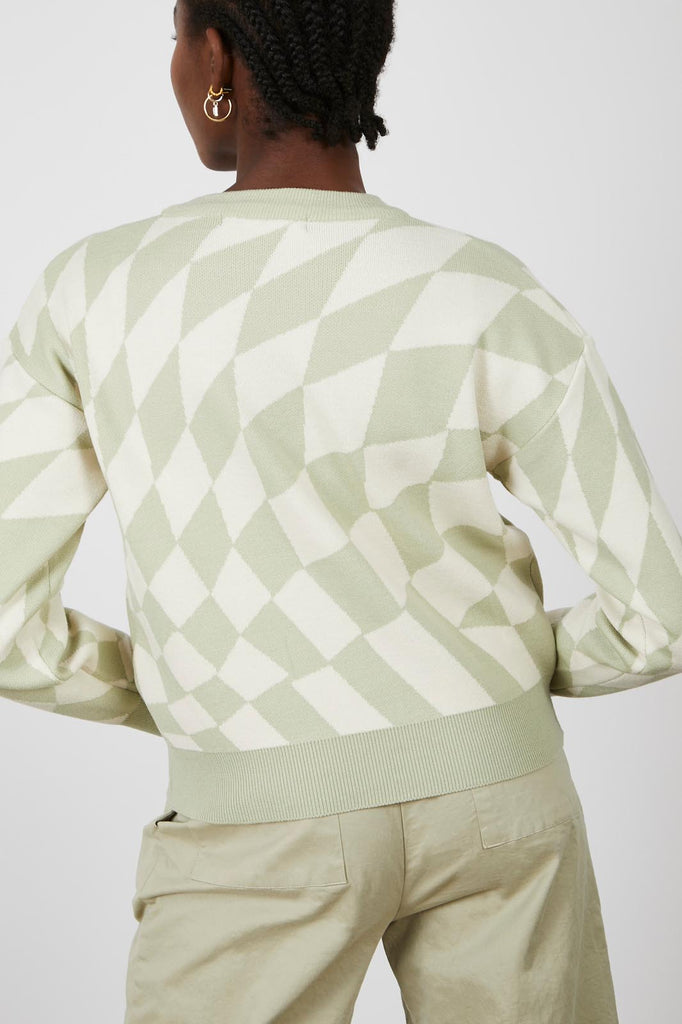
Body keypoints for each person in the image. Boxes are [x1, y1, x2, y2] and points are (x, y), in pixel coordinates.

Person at [1, 1, 680, 1021]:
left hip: (254, 814)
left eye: (176, 35)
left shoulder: (93, 292)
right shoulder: (484, 287)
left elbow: (5, 621)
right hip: (502, 800)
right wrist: (500, 670)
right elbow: (661, 611)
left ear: (217, 56)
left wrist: (191, 691)